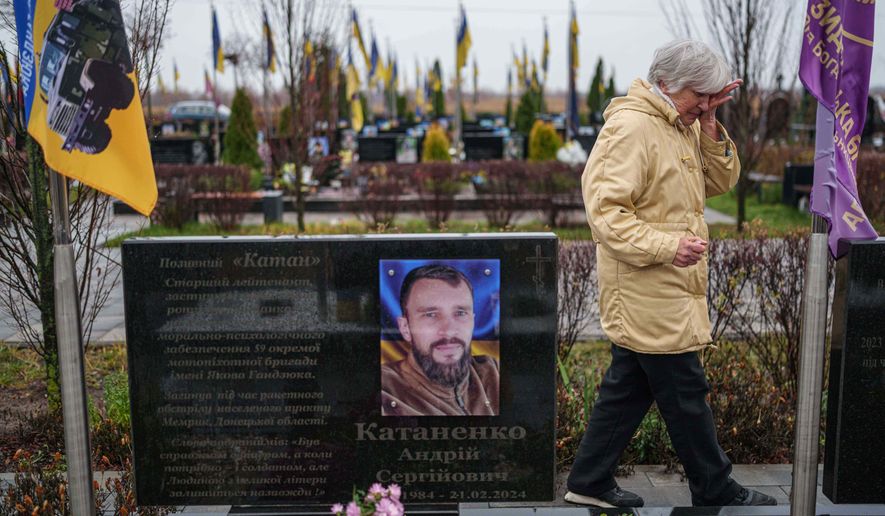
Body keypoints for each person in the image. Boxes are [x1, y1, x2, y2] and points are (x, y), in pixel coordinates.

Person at [565, 40, 777, 508]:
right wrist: (669, 246)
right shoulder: (631, 129)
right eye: (699, 95)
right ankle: (714, 485)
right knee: (685, 390)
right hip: (647, 286)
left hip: (666, 287)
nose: (705, 102)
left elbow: (720, 182)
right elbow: (607, 215)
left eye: (710, 95)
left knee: (631, 387)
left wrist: (708, 123)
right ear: (666, 84)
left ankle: (589, 481)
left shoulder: (677, 123)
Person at [381, 264, 499, 416]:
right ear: (405, 328)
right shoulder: (383, 391)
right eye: (431, 314)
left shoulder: (494, 372)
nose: (449, 331)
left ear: (473, 321)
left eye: (461, 313)